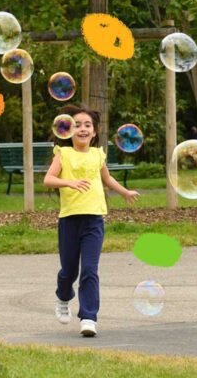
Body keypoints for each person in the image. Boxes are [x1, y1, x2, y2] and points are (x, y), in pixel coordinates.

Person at [43, 104, 140, 337]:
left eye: (88, 125)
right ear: (67, 130)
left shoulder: (98, 154)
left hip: (94, 220)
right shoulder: (63, 153)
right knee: (68, 271)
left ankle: (88, 317)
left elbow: (107, 179)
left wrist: (124, 192)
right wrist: (69, 183)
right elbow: (48, 179)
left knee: (89, 269)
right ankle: (63, 297)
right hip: (69, 220)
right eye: (77, 125)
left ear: (95, 132)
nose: (83, 129)